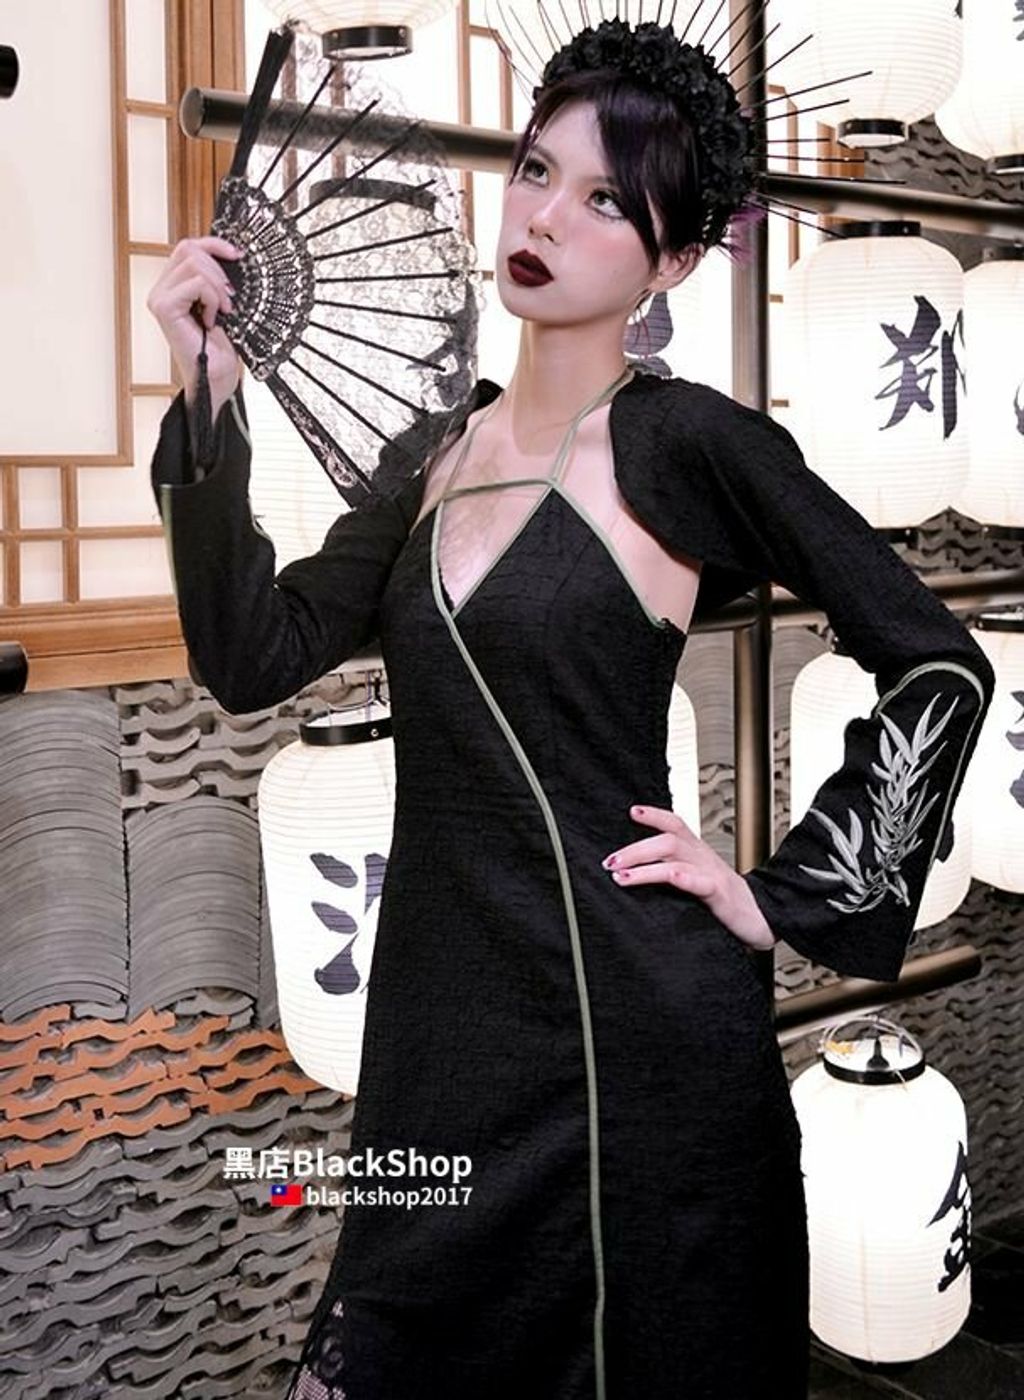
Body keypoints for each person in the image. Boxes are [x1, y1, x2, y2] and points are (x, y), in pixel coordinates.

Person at [147, 17, 995, 1399]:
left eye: (607, 200)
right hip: (443, 1035)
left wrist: (777, 896)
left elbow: (937, 661)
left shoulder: (692, 442)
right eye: (538, 170)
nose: (543, 216)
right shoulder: (431, 455)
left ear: (672, 261)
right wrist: (207, 400)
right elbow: (252, 654)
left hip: (637, 1039)